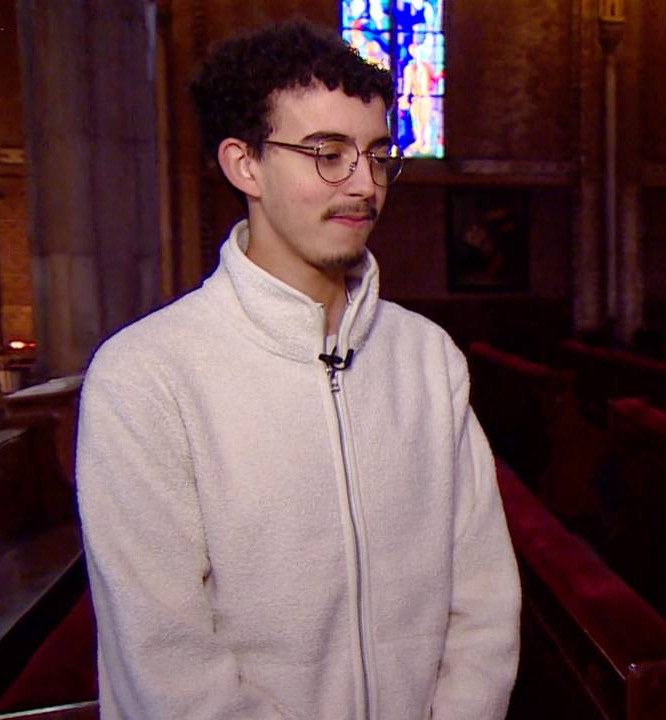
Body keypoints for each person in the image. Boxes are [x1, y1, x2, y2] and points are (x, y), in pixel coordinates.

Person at [75, 20, 520, 720]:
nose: (364, 185)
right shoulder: (145, 377)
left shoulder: (428, 358)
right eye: (328, 153)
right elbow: (167, 664)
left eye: (377, 156)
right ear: (243, 164)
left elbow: (483, 599)